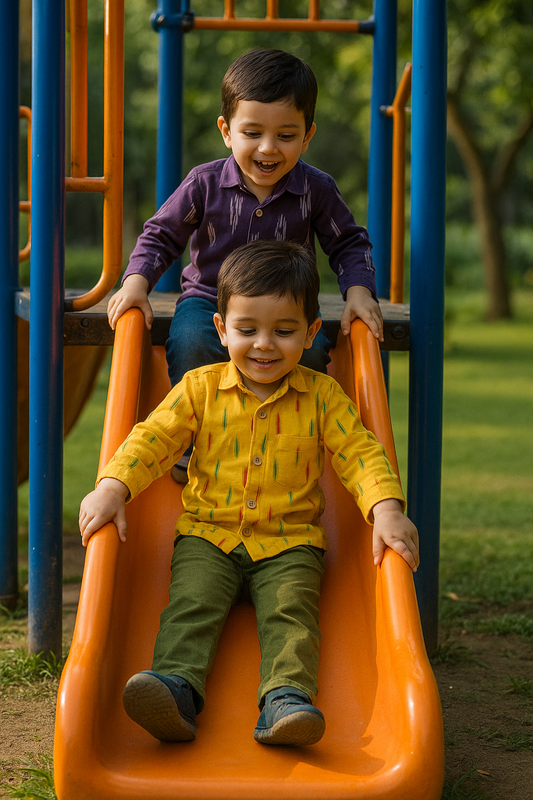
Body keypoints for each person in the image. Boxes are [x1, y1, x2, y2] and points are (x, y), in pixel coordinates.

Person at [79, 240, 418, 748]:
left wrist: (386, 509)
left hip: (290, 544)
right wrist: (113, 486)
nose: (264, 344)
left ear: (310, 334)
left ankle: (286, 700)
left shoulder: (323, 396)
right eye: (247, 330)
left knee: (292, 615)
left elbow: (360, 452)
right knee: (190, 605)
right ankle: (175, 689)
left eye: (283, 332)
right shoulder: (199, 387)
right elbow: (153, 438)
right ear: (221, 329)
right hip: (208, 536)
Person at [107, 48, 383, 481]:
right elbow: (162, 233)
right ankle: (193, 439)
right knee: (193, 343)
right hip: (209, 300)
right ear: (227, 130)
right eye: (252, 132)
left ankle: (292, 441)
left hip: (287, 307)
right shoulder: (204, 183)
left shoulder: (316, 189)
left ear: (308, 136)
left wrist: (359, 293)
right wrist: (137, 283)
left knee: (309, 354)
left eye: (286, 136)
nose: (268, 148)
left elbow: (348, 242)